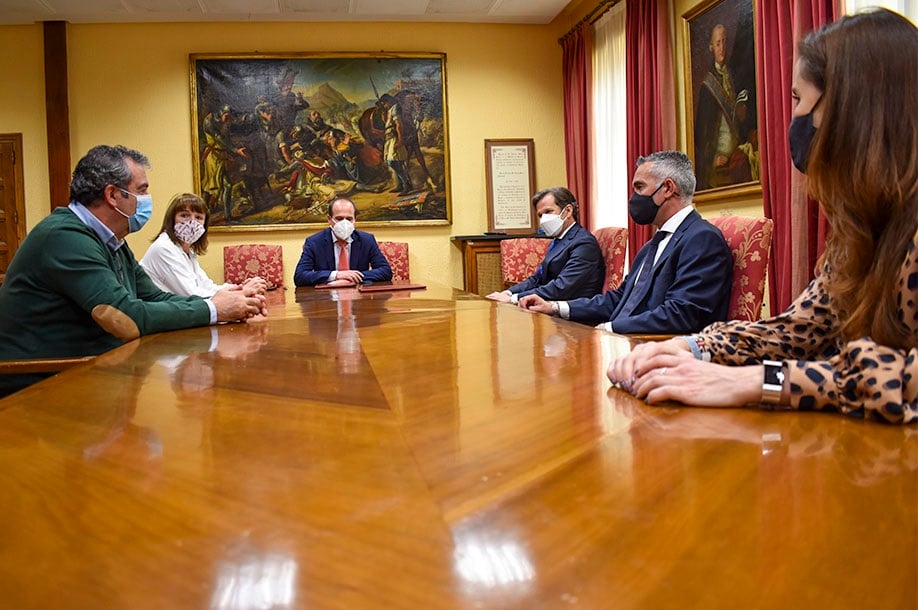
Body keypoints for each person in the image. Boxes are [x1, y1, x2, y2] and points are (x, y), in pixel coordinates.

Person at [608, 9, 917, 425]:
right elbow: (801, 329)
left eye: (797, 99)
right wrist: (695, 348)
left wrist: (762, 382)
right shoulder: (859, 227)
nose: (791, 118)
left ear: (851, 109)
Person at [0, 145, 267, 396]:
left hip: (92, 371)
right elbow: (125, 318)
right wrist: (215, 309)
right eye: (141, 190)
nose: (146, 200)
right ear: (113, 195)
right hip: (38, 384)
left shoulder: (112, 240)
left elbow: (155, 297)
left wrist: (223, 305)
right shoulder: (64, 236)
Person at [520, 151, 733, 334]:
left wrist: (612, 328)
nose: (634, 197)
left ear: (667, 188)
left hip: (657, 352)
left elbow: (683, 313)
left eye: (639, 187)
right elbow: (620, 298)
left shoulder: (701, 238)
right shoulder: (654, 243)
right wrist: (555, 307)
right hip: (623, 341)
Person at [486, 187, 604, 303]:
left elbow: (562, 287)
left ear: (568, 211)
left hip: (573, 313)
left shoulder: (584, 243)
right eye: (540, 215)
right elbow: (537, 278)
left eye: (548, 212)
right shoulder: (558, 240)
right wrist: (508, 293)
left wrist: (514, 299)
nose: (543, 219)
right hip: (549, 305)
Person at [140, 192, 267, 298]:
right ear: (171, 219)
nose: (192, 222)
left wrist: (239, 288)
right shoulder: (164, 248)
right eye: (184, 216)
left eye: (199, 217)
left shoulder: (187, 252)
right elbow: (193, 296)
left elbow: (206, 286)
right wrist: (242, 293)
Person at [693, 23, 756, 190]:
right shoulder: (708, 87)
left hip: (737, 149)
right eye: (718, 43)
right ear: (711, 47)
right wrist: (712, 158)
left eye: (725, 42)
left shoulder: (734, 77)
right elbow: (701, 132)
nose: (722, 48)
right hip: (719, 158)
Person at [293, 197, 392, 287]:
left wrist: (352, 278)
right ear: (329, 220)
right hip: (326, 298)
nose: (345, 223)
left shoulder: (366, 240)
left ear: (355, 220)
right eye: (339, 219)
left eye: (349, 219)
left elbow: (385, 271)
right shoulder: (314, 242)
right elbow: (300, 276)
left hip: (359, 298)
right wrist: (336, 275)